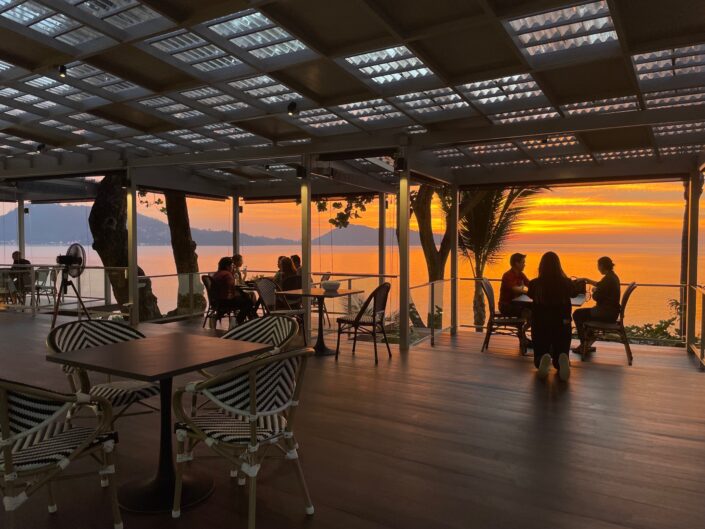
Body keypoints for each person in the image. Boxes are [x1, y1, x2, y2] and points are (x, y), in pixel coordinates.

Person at [528, 252, 580, 381]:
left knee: (539, 351)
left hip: (540, 324)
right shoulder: (566, 283)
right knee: (561, 349)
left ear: (541, 266)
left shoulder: (534, 284)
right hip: (562, 323)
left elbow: (530, 294)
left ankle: (542, 358)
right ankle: (562, 358)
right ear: (558, 266)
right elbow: (574, 293)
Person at [573, 256, 621, 354]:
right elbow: (600, 285)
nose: (598, 268)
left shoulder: (608, 279)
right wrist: (586, 279)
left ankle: (584, 344)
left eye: (598, 266)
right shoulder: (612, 277)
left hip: (606, 313)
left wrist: (594, 291)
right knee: (584, 314)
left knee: (577, 314)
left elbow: (596, 297)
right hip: (612, 312)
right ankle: (587, 342)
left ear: (602, 266)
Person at [210, 257, 254, 325]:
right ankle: (238, 322)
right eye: (232, 265)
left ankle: (251, 320)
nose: (233, 267)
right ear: (227, 266)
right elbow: (231, 289)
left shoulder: (217, 274)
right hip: (225, 302)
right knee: (249, 302)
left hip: (216, 301)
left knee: (245, 298)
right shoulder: (227, 275)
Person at [499, 253, 531, 317]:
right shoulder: (507, 275)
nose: (524, 265)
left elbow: (530, 284)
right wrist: (529, 292)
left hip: (516, 303)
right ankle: (527, 322)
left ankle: (529, 322)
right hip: (506, 306)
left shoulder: (521, 274)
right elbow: (515, 289)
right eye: (523, 262)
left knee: (535, 307)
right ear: (517, 263)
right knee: (528, 311)